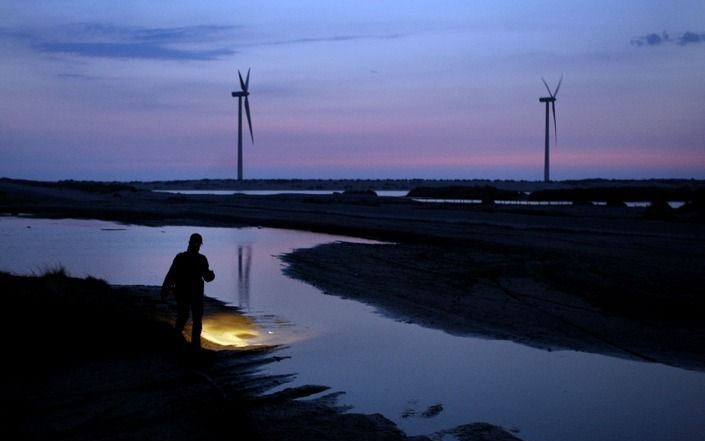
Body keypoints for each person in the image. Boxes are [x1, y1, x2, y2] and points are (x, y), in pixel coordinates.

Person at [161, 233, 215, 350]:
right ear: (198, 244)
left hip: (184, 293)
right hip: (193, 293)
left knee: (185, 317)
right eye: (198, 243)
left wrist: (164, 291)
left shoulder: (181, 257)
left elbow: (170, 275)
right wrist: (211, 275)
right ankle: (193, 346)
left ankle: (184, 344)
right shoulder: (200, 259)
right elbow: (207, 278)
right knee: (193, 319)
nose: (198, 246)